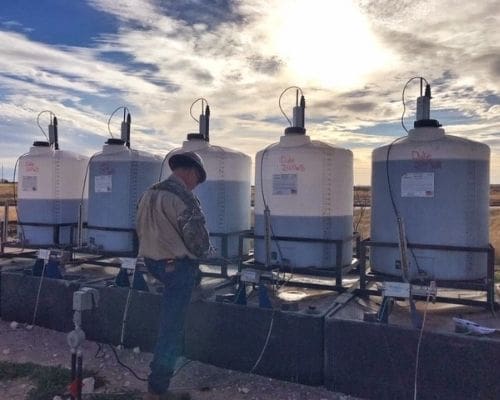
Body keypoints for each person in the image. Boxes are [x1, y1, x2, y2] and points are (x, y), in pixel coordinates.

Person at [136, 151, 210, 400]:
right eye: (197, 181)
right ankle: (157, 389)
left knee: (169, 323)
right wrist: (205, 254)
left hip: (153, 264)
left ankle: (160, 379)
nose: (195, 186)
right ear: (190, 173)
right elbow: (198, 242)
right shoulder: (183, 199)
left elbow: (139, 228)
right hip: (176, 268)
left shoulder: (149, 193)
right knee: (171, 328)